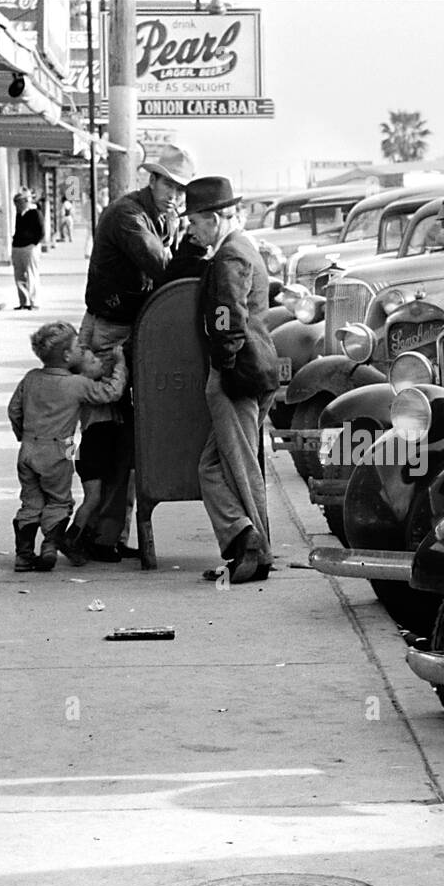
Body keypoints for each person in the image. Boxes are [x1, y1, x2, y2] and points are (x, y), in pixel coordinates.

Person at [78, 143, 197, 562]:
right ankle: (95, 532)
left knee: (131, 434)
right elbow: (162, 266)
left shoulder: (161, 218)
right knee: (109, 434)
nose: (175, 196)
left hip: (131, 330)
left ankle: (108, 533)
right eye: (170, 185)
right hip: (110, 332)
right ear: (153, 179)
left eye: (182, 190)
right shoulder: (128, 216)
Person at [185, 176, 280, 584]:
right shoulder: (244, 248)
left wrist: (223, 361)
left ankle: (253, 548)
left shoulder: (228, 257)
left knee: (238, 467)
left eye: (193, 223)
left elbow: (227, 315)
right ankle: (245, 539)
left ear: (212, 219)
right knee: (216, 466)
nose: (190, 231)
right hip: (253, 368)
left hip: (236, 372)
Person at [7, 322, 127, 572]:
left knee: (30, 502)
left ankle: (23, 554)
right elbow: (111, 393)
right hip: (60, 449)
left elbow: (14, 410)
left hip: (28, 449)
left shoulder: (30, 378)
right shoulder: (77, 384)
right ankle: (49, 547)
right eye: (77, 347)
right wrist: (120, 365)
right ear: (66, 356)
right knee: (59, 501)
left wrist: (23, 435)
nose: (81, 349)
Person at [62, 349, 120, 566]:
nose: (99, 361)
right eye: (93, 361)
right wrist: (120, 364)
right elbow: (114, 390)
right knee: (93, 499)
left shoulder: (87, 386)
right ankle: (70, 537)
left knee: (97, 499)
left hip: (90, 451)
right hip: (93, 451)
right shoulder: (90, 389)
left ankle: (82, 538)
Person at [11, 190, 45, 310]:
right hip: (18, 246)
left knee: (31, 274)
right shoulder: (19, 215)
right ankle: (23, 301)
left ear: (25, 202)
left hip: (29, 247)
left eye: (18, 203)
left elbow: (41, 232)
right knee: (19, 275)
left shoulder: (35, 213)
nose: (16, 206)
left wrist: (34, 243)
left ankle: (34, 301)